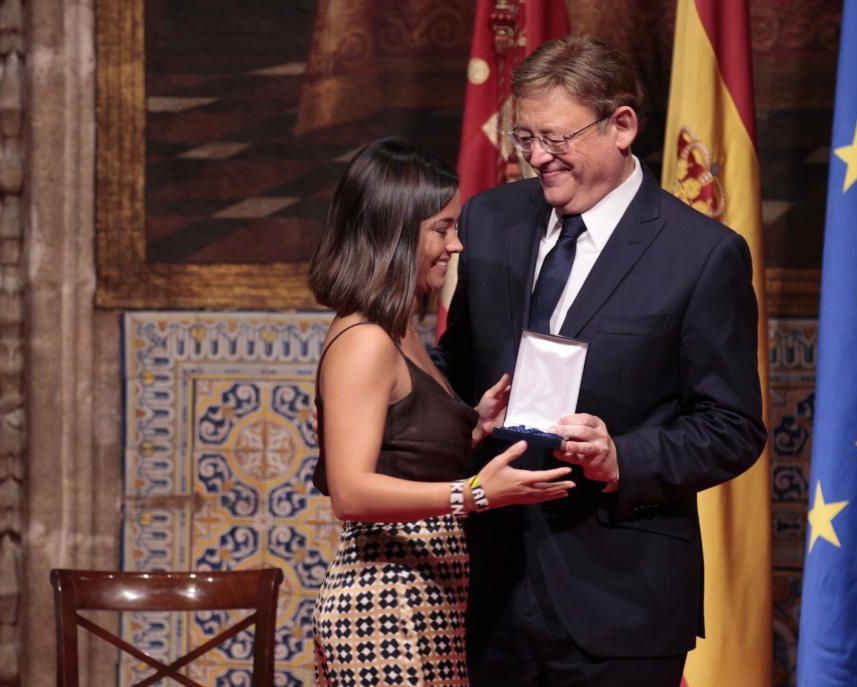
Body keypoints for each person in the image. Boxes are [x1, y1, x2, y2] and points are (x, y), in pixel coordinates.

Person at [435, 35, 767, 686]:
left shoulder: (700, 254)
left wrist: (624, 456)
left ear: (621, 126)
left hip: (624, 598)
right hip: (491, 585)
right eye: (524, 137)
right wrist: (455, 418)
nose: (534, 156)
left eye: (554, 139)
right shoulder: (490, 219)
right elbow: (458, 360)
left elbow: (732, 426)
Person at [307, 137, 576, 687]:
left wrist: (471, 427)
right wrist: (475, 493)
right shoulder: (364, 340)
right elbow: (350, 493)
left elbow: (400, 453)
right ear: (394, 231)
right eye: (442, 228)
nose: (455, 246)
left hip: (429, 601)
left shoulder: (400, 327)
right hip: (384, 608)